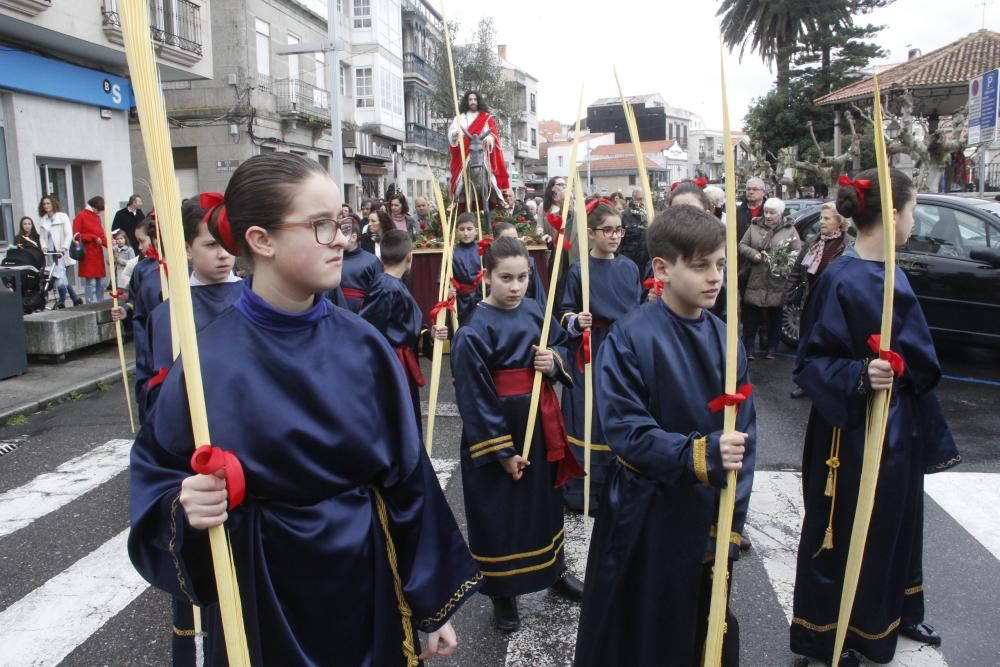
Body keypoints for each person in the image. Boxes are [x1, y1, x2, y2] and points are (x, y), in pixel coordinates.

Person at [128, 153, 482, 666]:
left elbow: (408, 480)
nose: (341, 238)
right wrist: (184, 504)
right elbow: (157, 467)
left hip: (365, 581)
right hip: (261, 589)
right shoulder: (207, 361)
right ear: (260, 239)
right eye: (320, 225)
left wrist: (431, 603)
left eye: (340, 221)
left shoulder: (365, 348)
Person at [790, 168, 959, 666]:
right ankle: (835, 632)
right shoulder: (840, 277)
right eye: (912, 209)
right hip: (854, 434)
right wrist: (862, 374)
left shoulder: (894, 272)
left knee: (899, 521)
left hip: (899, 424)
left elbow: (920, 358)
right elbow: (810, 362)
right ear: (891, 214)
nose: (915, 219)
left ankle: (897, 611)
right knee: (848, 528)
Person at [574, 205, 756, 667]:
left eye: (720, 264)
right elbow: (626, 431)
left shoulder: (726, 338)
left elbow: (744, 435)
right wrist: (700, 453)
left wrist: (731, 518)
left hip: (706, 512)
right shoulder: (631, 338)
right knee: (643, 630)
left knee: (703, 627)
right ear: (662, 267)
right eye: (700, 266)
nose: (715, 277)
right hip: (645, 515)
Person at [451, 235, 585, 633]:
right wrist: (503, 451)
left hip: (540, 423)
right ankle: (503, 592)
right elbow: (473, 397)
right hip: (498, 433)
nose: (515, 287)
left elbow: (559, 347)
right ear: (486, 276)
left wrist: (552, 363)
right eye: (505, 278)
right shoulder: (474, 329)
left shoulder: (533, 311)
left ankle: (552, 570)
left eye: (523, 277)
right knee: (500, 512)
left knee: (545, 501)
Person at [558, 200, 643, 513]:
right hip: (590, 350)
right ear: (591, 233)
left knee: (619, 411)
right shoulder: (580, 270)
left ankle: (617, 484)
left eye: (618, 230)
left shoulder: (630, 268)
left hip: (623, 348)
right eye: (607, 230)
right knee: (586, 414)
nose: (615, 236)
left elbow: (637, 310)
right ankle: (582, 490)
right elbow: (564, 311)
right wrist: (576, 321)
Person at [360, 229, 447, 438]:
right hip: (392, 364)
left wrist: (429, 335)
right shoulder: (387, 287)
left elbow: (403, 328)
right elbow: (370, 328)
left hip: (397, 362)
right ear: (410, 257)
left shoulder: (391, 285)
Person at [785, 203, 853, 398]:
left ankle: (825, 382)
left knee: (829, 343)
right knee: (806, 342)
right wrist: (789, 295)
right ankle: (803, 382)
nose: (821, 222)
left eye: (827, 218)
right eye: (821, 218)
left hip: (833, 304)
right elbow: (797, 271)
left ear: (839, 222)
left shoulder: (849, 245)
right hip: (810, 300)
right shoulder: (812, 242)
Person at [739, 197, 801, 360]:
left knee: (776, 316)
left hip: (777, 279)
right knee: (752, 317)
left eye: (772, 213)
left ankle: (772, 349)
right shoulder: (754, 226)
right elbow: (742, 245)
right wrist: (753, 254)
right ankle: (748, 348)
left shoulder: (790, 230)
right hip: (756, 278)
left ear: (780, 214)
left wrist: (783, 263)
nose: (768, 215)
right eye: (766, 212)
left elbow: (797, 252)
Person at [448, 90, 511, 210]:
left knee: (490, 175)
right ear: (467, 102)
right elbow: (452, 132)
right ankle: (455, 200)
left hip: (481, 152)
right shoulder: (460, 118)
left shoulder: (486, 118)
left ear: (478, 101)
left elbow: (493, 134)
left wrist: (489, 139)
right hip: (467, 153)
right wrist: (455, 134)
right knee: (461, 177)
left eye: (475, 99)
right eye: (470, 99)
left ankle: (499, 198)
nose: (472, 102)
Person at [37, 195, 82, 308]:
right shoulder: (43, 219)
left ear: (53, 204)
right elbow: (42, 237)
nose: (46, 206)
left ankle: (62, 301)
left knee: (60, 276)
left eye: (48, 203)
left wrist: (64, 247)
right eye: (44, 204)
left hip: (63, 252)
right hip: (52, 252)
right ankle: (75, 299)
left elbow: (68, 234)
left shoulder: (62, 216)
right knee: (60, 276)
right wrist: (44, 247)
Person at [492, 222, 546, 309]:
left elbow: (539, 296)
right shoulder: (491, 264)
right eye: (506, 240)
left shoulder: (529, 263)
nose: (512, 244)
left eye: (514, 239)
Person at [340, 221, 384, 313]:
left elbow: (379, 291)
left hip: (362, 311)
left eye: (342, 235)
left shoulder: (372, 261)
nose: (338, 239)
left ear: (353, 237)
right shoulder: (334, 259)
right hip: (336, 308)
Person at [72, 196, 108, 303]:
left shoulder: (96, 217)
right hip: (87, 252)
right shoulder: (81, 216)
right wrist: (93, 237)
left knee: (100, 281)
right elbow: (76, 235)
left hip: (97, 253)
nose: (99, 212)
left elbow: (101, 234)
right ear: (93, 207)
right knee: (90, 281)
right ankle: (89, 302)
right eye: (98, 209)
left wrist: (109, 245)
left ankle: (100, 302)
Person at [450, 213, 483, 326]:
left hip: (481, 298)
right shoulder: (451, 253)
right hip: (461, 301)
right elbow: (444, 280)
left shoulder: (483, 251)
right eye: (462, 229)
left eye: (469, 229)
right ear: (457, 231)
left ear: (476, 231)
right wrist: (448, 291)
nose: (465, 233)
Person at [618, 188, 649, 272]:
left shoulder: (649, 215)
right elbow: (620, 240)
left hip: (646, 260)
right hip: (629, 259)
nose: (641, 202)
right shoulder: (625, 216)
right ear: (633, 199)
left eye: (643, 199)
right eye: (639, 199)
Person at [111, 228, 136, 293]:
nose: (119, 241)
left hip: (126, 277)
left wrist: (119, 259)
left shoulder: (129, 250)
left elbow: (131, 263)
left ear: (125, 239)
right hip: (117, 278)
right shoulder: (115, 250)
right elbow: (110, 263)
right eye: (117, 239)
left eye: (121, 239)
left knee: (126, 295)